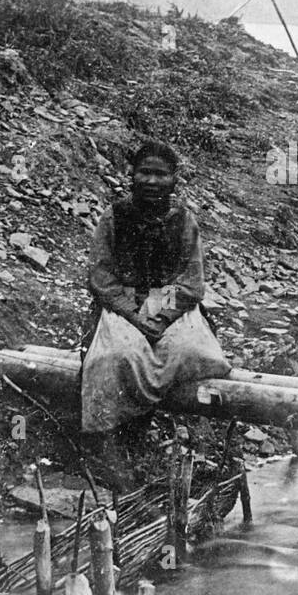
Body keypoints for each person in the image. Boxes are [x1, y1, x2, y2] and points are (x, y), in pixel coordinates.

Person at [81, 140, 229, 484]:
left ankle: (187, 436)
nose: (151, 181)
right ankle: (108, 447)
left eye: (160, 174)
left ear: (173, 180)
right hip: (123, 303)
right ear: (131, 176)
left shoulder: (183, 221)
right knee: (114, 357)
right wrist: (135, 314)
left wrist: (159, 314)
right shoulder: (114, 217)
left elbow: (192, 282)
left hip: (171, 303)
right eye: (144, 172)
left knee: (190, 352)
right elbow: (101, 277)